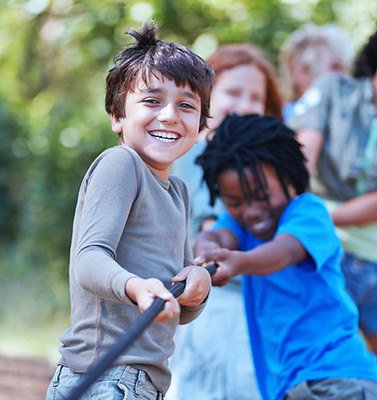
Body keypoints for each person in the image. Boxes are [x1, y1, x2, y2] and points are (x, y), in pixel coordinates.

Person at [45, 21, 214, 400]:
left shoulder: (178, 191)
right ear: (117, 116)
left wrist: (196, 287)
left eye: (186, 105)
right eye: (152, 101)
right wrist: (135, 286)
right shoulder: (122, 164)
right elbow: (88, 260)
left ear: (199, 125)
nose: (170, 115)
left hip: (141, 382)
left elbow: (175, 306)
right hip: (105, 376)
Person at [194, 113, 377, 400]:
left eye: (261, 195)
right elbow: (216, 237)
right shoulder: (237, 224)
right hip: (289, 388)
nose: (251, 211)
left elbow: (285, 251)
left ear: (289, 178)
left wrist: (238, 262)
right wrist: (205, 254)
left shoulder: (308, 212)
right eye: (235, 202)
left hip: (339, 378)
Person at [170, 43, 283, 400]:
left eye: (256, 97)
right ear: (207, 98)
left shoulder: (267, 166)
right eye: (233, 92)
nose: (245, 104)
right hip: (217, 306)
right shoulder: (200, 153)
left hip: (259, 305)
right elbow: (209, 231)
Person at [288, 28, 377, 356]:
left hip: (369, 261)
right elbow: (298, 162)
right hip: (328, 255)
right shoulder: (333, 90)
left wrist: (323, 213)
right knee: (325, 358)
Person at [279, 23, 354, 121]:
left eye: (347, 68)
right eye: (335, 67)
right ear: (303, 72)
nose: (347, 77)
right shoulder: (281, 123)